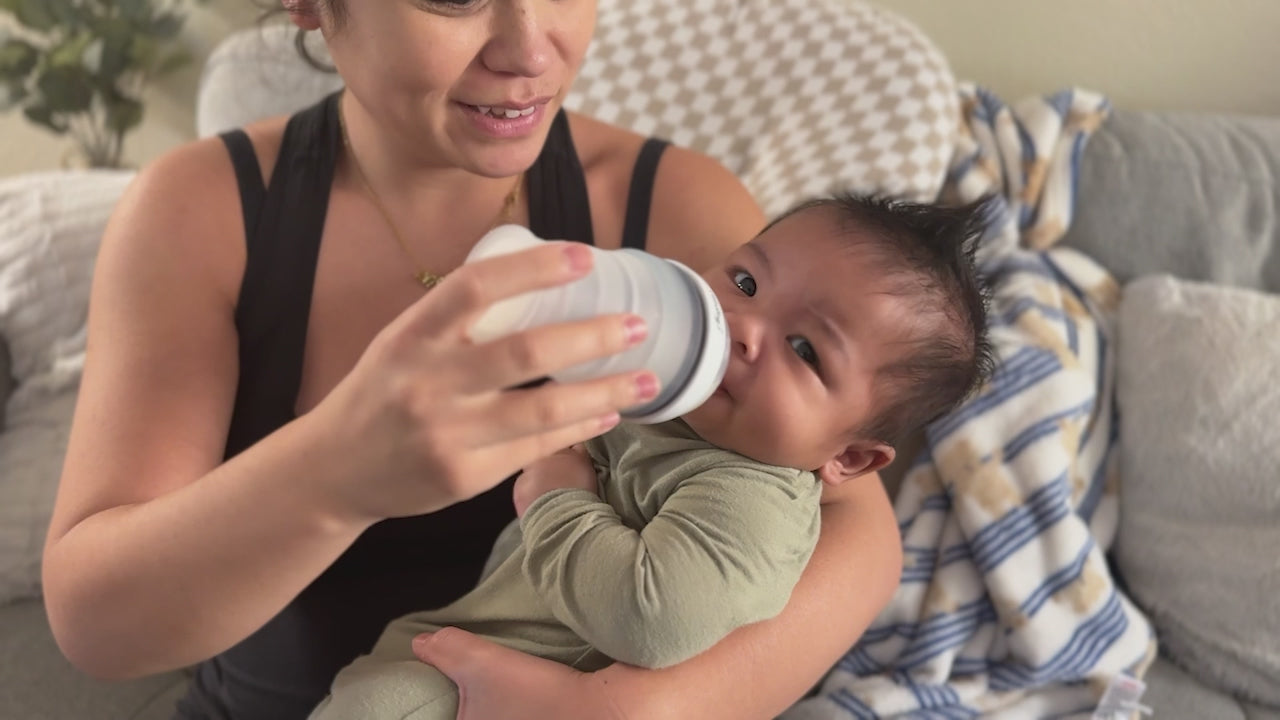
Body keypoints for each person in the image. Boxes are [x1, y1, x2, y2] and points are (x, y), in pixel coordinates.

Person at [41, 2, 906, 719]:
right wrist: (339, 471)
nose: (531, 50)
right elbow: (97, 624)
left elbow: (855, 531)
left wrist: (630, 712)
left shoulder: (672, 208)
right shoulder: (204, 212)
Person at [307, 194, 994, 720]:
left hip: (502, 688)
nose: (746, 330)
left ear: (847, 458)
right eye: (746, 284)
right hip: (460, 645)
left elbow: (651, 619)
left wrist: (553, 497)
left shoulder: (750, 497)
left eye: (807, 350)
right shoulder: (675, 399)